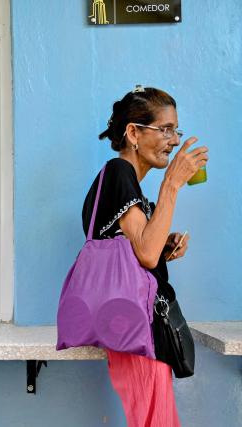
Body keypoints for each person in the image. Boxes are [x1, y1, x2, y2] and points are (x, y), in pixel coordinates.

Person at [82, 86, 208, 426]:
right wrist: (172, 183)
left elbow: (143, 250)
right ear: (134, 133)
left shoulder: (123, 181)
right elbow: (147, 256)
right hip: (135, 328)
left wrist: (164, 245)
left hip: (132, 328)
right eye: (164, 129)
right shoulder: (119, 173)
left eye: (175, 130)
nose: (173, 140)